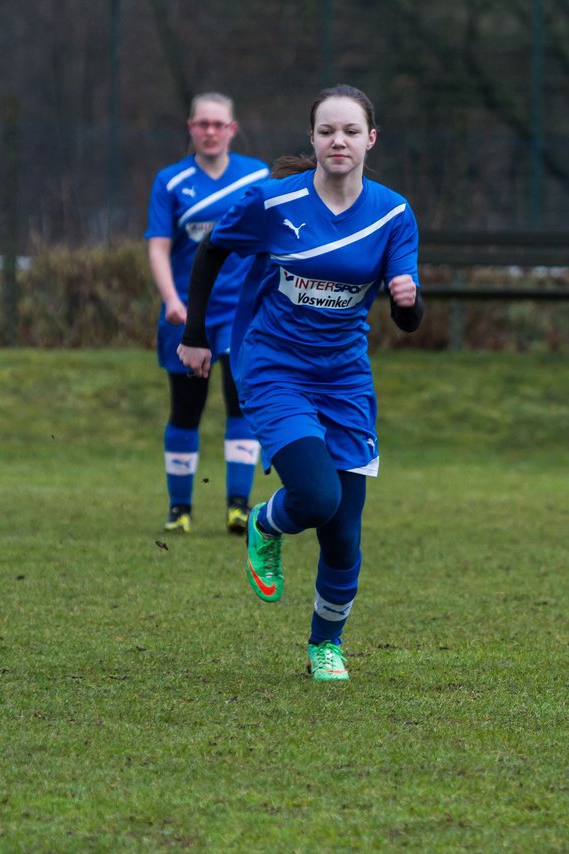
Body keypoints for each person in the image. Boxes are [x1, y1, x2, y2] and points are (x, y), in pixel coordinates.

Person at [178, 85, 425, 681]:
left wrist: (407, 301)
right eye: (325, 131)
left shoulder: (393, 214)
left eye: (349, 131)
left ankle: (325, 644)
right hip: (273, 367)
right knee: (316, 499)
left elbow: (409, 320)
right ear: (312, 140)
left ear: (370, 139)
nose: (337, 141)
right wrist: (196, 335)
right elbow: (212, 252)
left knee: (343, 535)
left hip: (343, 379)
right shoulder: (272, 202)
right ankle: (266, 523)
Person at [146, 93, 270, 535]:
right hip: (187, 317)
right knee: (186, 409)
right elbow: (158, 247)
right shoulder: (171, 181)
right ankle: (180, 509)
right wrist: (172, 300)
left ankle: (238, 506)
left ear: (233, 129)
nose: (211, 131)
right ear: (190, 128)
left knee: (242, 405)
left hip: (244, 317)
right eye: (203, 124)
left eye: (219, 124)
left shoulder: (258, 178)